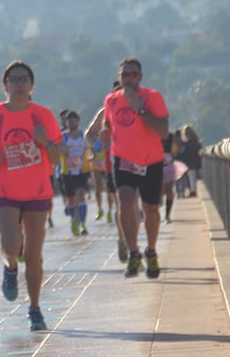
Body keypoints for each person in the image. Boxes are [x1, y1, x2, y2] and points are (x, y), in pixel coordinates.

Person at [0, 61, 63, 331]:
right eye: (14, 79)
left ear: (32, 85)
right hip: (5, 190)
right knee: (11, 244)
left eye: (24, 79)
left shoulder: (42, 116)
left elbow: (58, 157)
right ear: (5, 86)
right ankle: (10, 267)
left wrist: (45, 141)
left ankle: (34, 308)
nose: (19, 84)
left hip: (37, 190)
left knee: (34, 254)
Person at [88, 58, 169, 279]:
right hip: (123, 159)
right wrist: (105, 132)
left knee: (150, 209)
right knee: (125, 202)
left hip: (150, 160)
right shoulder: (111, 100)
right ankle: (133, 252)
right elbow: (107, 123)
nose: (129, 79)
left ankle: (150, 250)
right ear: (119, 78)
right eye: (125, 75)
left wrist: (140, 110)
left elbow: (163, 130)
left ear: (140, 78)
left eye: (133, 74)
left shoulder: (153, 98)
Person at [60, 110, 92, 236]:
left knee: (81, 195)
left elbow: (90, 147)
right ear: (66, 123)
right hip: (67, 172)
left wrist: (91, 154)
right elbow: (59, 150)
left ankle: (83, 223)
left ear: (78, 121)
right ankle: (74, 220)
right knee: (72, 199)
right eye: (69, 121)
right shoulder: (63, 136)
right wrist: (64, 150)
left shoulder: (83, 135)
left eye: (74, 120)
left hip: (82, 170)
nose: (72, 123)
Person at [90, 127, 115, 223]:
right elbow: (90, 148)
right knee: (98, 187)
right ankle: (100, 208)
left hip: (107, 165)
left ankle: (109, 211)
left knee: (109, 190)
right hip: (96, 164)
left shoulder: (110, 134)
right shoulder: (93, 136)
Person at [177, 125, 203, 197]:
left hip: (190, 163)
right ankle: (194, 191)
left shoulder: (186, 143)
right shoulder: (196, 142)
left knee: (192, 176)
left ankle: (193, 192)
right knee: (197, 177)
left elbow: (183, 152)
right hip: (198, 162)